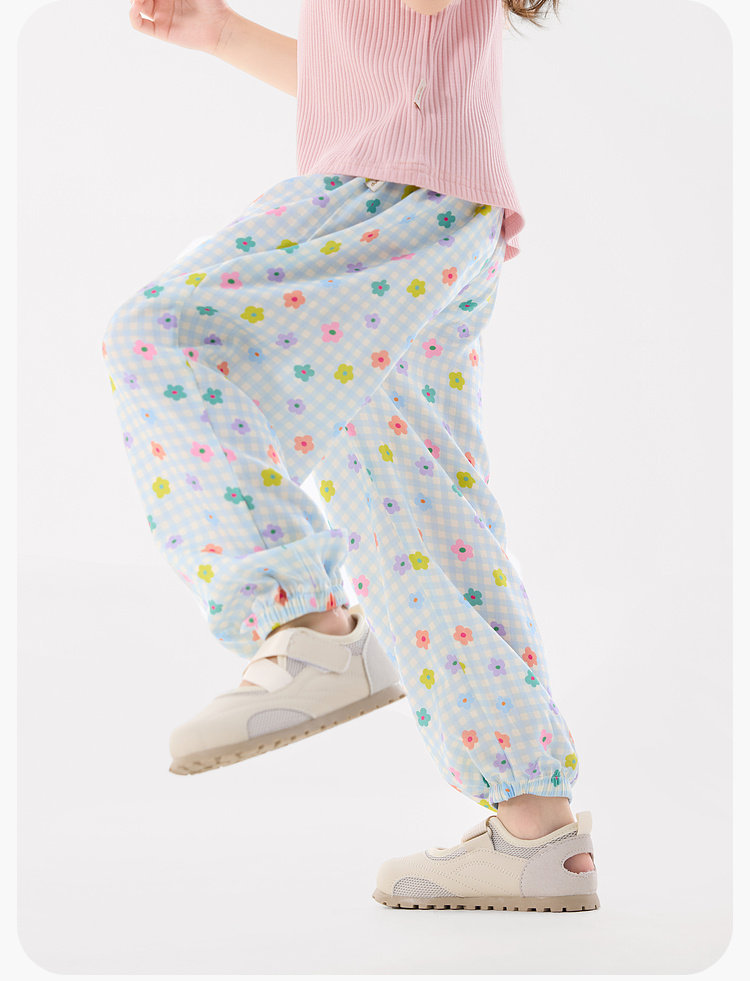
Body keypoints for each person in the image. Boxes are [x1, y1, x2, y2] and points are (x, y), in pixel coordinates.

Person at [103, 0, 599, 912]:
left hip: (395, 194)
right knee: (415, 515)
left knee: (163, 332)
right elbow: (369, 79)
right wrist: (224, 34)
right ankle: (537, 831)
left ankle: (304, 625)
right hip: (432, 204)